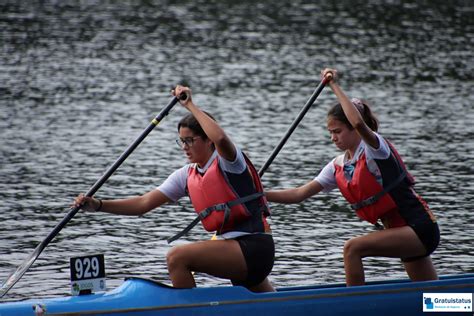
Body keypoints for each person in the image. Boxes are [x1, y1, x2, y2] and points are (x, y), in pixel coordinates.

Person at [74, 85, 275, 292]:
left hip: (253, 248)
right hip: (234, 251)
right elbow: (143, 204)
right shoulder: (186, 175)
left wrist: (189, 105)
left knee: (177, 257)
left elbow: (221, 138)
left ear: (207, 141)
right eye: (181, 141)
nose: (185, 147)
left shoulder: (229, 162)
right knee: (269, 305)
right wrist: (98, 205)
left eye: (190, 140)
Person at [266, 68, 440, 286]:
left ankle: (353, 305)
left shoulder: (375, 148)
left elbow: (359, 123)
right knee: (430, 296)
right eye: (330, 132)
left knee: (352, 248)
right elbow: (299, 194)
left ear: (354, 130)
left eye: (337, 131)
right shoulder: (337, 165)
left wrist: (333, 85)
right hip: (399, 232)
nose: (333, 138)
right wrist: (260, 195)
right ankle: (459, 306)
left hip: (419, 227)